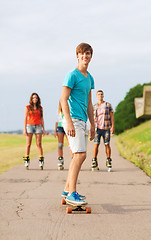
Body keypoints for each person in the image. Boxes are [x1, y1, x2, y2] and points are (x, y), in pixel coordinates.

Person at [60, 43, 95, 205]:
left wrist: (93, 125)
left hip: (82, 120)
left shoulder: (90, 78)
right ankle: (71, 193)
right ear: (77, 56)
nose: (85, 56)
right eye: (82, 54)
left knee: (78, 155)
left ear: (90, 56)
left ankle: (68, 189)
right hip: (72, 119)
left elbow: (89, 103)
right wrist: (68, 123)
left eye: (88, 53)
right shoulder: (72, 75)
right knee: (80, 155)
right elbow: (63, 99)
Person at [91, 90, 115, 171]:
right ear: (96, 96)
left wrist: (112, 126)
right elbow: (92, 118)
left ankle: (108, 160)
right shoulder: (94, 106)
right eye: (98, 94)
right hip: (97, 128)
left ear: (103, 96)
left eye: (101, 94)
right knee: (96, 144)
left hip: (106, 127)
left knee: (107, 144)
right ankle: (94, 160)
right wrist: (91, 129)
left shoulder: (108, 105)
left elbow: (112, 116)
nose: (100, 96)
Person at [23, 93, 45, 170]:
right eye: (33, 98)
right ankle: (26, 160)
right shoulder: (28, 107)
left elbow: (42, 118)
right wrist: (24, 129)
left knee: (39, 144)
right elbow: (25, 118)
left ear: (38, 99)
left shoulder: (40, 108)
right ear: (31, 99)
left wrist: (43, 129)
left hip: (38, 126)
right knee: (28, 144)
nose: (34, 99)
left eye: (36, 98)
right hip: (30, 126)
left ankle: (41, 160)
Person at [54, 101, 66, 170]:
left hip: (67, 127)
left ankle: (73, 158)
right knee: (60, 144)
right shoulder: (59, 111)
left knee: (70, 144)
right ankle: (60, 159)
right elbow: (57, 121)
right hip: (60, 127)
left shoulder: (69, 109)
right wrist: (55, 131)